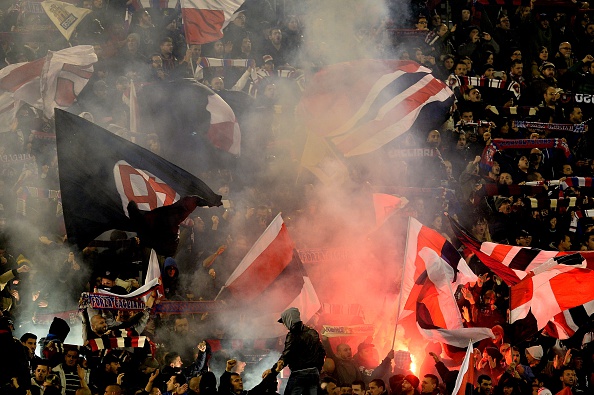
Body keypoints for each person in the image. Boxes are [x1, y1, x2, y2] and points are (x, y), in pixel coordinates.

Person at [273, 307, 326, 395]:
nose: (284, 325)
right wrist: (317, 368)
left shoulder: (292, 335)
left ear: (289, 319)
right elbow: (322, 352)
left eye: (284, 322)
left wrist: (273, 371)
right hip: (314, 373)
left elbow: (286, 356)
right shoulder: (313, 332)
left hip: (299, 374)